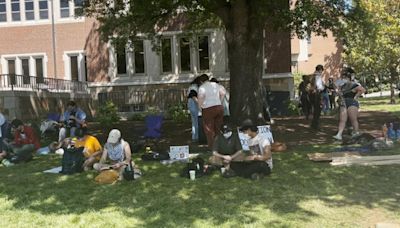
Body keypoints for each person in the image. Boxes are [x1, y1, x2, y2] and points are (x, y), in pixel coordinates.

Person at [333, 69, 366, 140]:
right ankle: (339, 134)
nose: (343, 79)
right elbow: (338, 91)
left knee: (353, 119)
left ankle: (356, 132)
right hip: (343, 102)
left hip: (352, 102)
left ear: (348, 78)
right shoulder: (342, 86)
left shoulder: (353, 84)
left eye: (345, 77)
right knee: (342, 119)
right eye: (343, 77)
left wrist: (356, 96)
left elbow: (362, 89)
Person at [198, 74, 226, 149]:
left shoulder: (202, 87)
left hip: (208, 108)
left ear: (201, 81)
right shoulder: (216, 85)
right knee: (218, 127)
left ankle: (212, 147)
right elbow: (223, 93)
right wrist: (220, 101)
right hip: (219, 107)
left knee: (209, 129)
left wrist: (200, 107)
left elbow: (200, 98)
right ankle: (221, 145)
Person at [310, 64, 325, 130]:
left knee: (316, 109)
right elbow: (318, 86)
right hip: (317, 93)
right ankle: (316, 125)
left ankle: (314, 124)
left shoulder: (313, 76)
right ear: (320, 70)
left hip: (313, 94)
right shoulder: (317, 76)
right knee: (318, 110)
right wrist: (323, 87)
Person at [187, 77, 201, 142]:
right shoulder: (194, 87)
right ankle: (196, 137)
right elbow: (193, 96)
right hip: (193, 104)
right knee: (196, 121)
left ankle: (195, 137)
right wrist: (199, 104)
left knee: (194, 121)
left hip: (191, 104)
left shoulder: (192, 86)